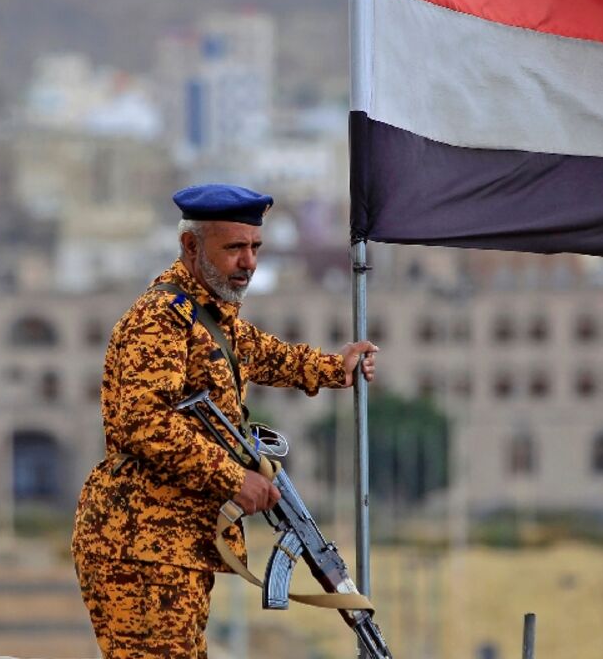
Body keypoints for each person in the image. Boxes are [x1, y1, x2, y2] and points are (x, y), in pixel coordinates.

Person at [71, 183, 378, 657]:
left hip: (176, 545)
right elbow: (145, 421)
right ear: (191, 247)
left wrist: (335, 367)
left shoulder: (209, 315)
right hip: (140, 545)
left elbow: (262, 354)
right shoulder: (161, 317)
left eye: (255, 247)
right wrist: (233, 477)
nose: (249, 262)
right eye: (234, 247)